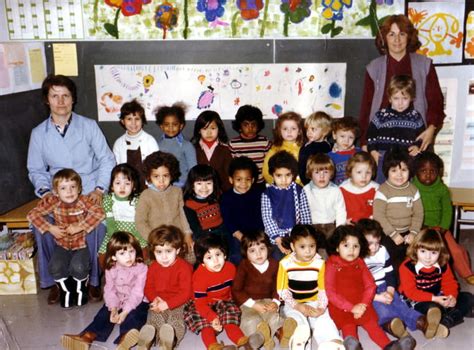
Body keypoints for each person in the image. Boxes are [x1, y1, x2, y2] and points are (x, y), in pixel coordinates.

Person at [27, 74, 115, 304]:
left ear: (73, 99)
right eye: (54, 96)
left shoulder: (88, 126)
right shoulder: (38, 133)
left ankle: (93, 281)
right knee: (42, 226)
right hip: (57, 192)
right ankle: (56, 281)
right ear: (47, 99)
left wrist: (98, 188)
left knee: (97, 226)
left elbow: (107, 159)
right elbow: (35, 169)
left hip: (88, 189)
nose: (61, 101)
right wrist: (46, 192)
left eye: (65, 95)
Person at [359, 14, 445, 152]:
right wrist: (365, 143)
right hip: (381, 142)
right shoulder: (373, 68)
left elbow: (436, 101)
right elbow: (366, 108)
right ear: (384, 38)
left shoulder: (424, 64)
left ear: (409, 37)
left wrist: (431, 129)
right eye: (391, 34)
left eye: (402, 34)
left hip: (417, 140)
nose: (397, 39)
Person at [325, 225, 415, 350]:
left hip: (361, 302)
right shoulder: (331, 264)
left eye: (355, 246)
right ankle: (353, 347)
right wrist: (351, 308)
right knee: (349, 327)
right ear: (337, 247)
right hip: (342, 307)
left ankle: (390, 346)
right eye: (346, 245)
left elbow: (370, 285)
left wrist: (363, 304)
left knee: (373, 325)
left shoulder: (359, 262)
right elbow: (331, 293)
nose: (351, 250)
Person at [27, 169, 106, 308]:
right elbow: (32, 214)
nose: (69, 192)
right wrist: (50, 228)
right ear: (56, 191)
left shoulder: (83, 201)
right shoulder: (54, 201)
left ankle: (80, 290)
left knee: (79, 266)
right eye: (63, 188)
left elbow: (99, 212)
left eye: (73, 187)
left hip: (81, 245)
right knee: (55, 266)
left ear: (79, 189)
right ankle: (66, 291)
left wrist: (80, 226)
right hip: (62, 245)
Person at [357, 219, 447, 340]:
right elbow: (356, 286)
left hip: (385, 285)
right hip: (368, 292)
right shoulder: (356, 258)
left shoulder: (382, 250)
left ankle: (423, 324)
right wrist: (377, 297)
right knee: (383, 312)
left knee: (402, 306)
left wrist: (390, 290)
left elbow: (390, 274)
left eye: (377, 243)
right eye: (369, 243)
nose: (374, 247)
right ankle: (397, 329)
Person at [60, 231, 150, 350]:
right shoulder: (110, 269)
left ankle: (124, 340)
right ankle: (87, 337)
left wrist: (124, 312)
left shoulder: (142, 268)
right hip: (118, 299)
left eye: (131, 251)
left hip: (138, 301)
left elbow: (137, 293)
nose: (129, 256)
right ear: (113, 256)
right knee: (103, 314)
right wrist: (113, 308)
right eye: (122, 253)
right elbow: (109, 290)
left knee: (134, 316)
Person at [183, 234, 263, 350]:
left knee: (230, 320)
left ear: (224, 254)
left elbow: (236, 288)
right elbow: (200, 303)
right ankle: (214, 347)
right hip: (203, 304)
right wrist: (212, 318)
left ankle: (244, 343)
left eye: (218, 254)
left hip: (224, 300)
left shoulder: (231, 268)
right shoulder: (199, 277)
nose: (215, 261)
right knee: (206, 326)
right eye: (209, 257)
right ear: (202, 261)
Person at [277, 225, 343, 349]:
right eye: (302, 247)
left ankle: (331, 343)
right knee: (299, 321)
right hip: (294, 303)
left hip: (314, 301)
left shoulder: (320, 263)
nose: (308, 251)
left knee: (324, 321)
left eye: (312, 246)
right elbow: (282, 291)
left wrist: (321, 308)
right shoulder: (285, 264)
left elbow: (323, 289)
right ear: (292, 246)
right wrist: (297, 306)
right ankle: (298, 342)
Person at [413, 151, 474, 284]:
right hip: (418, 227)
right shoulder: (412, 188)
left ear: (439, 172)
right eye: (423, 171)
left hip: (439, 227)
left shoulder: (442, 189)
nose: (428, 174)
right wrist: (417, 227)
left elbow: (447, 211)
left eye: (432, 171)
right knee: (415, 251)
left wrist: (443, 228)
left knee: (455, 250)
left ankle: (467, 273)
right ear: (416, 171)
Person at [399, 229, 474, 333]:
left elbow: (449, 283)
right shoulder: (407, 267)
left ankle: (445, 322)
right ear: (415, 249)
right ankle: (454, 315)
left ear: (440, 252)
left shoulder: (442, 263)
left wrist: (451, 297)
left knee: (468, 297)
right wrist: (435, 299)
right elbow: (411, 292)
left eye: (433, 253)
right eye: (423, 251)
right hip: (416, 298)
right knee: (433, 308)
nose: (428, 257)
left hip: (437, 294)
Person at [367, 75, 425, 183]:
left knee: (404, 187)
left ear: (411, 98)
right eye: (396, 98)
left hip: (405, 159)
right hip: (383, 157)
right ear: (390, 98)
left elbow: (422, 136)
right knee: (381, 186)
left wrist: (417, 146)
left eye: (405, 98)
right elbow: (371, 134)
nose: (400, 103)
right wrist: (373, 150)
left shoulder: (415, 116)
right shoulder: (381, 115)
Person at [373, 147, 423, 271]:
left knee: (415, 259)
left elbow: (418, 214)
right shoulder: (383, 191)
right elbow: (379, 216)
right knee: (389, 261)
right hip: (388, 233)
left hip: (409, 232)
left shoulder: (413, 190)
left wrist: (413, 233)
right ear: (386, 171)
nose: (399, 175)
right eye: (394, 170)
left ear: (409, 171)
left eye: (404, 170)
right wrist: (394, 235)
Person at [144, 225, 193, 350]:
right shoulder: (153, 267)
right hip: (159, 300)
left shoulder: (184, 267)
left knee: (175, 320)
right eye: (159, 252)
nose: (164, 257)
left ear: (177, 250)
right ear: (153, 252)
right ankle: (147, 340)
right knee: (155, 317)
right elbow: (148, 287)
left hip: (179, 302)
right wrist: (154, 299)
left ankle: (170, 342)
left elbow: (185, 293)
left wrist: (168, 304)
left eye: (168, 251)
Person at [232, 231, 283, 350]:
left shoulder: (275, 265)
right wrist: (253, 304)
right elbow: (236, 290)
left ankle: (282, 333)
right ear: (246, 253)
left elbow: (279, 286)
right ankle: (260, 337)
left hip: (267, 300)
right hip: (248, 303)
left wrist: (275, 302)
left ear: (268, 248)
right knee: (250, 320)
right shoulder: (243, 266)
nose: (258, 253)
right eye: (252, 251)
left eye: (262, 248)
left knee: (273, 317)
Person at [135, 151, 193, 254]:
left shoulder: (177, 191)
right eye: (156, 176)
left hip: (177, 240)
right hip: (157, 243)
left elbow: (183, 214)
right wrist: (153, 238)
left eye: (165, 176)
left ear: (171, 175)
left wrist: (187, 234)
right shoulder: (146, 195)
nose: (161, 181)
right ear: (149, 177)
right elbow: (140, 222)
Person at [261, 151, 312, 261]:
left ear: (293, 174)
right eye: (279, 176)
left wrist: (304, 235)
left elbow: (305, 215)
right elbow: (267, 219)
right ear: (272, 174)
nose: (284, 180)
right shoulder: (267, 194)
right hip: (276, 237)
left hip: (297, 236)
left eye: (288, 175)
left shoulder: (299, 190)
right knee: (278, 261)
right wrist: (278, 240)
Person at [98, 164, 147, 268]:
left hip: (135, 232)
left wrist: (135, 237)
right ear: (111, 186)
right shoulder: (108, 200)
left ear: (133, 186)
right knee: (103, 256)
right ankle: (114, 275)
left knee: (144, 254)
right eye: (118, 183)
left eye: (127, 183)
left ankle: (139, 276)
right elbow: (110, 224)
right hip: (115, 232)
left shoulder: (138, 200)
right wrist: (115, 238)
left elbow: (141, 221)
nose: (122, 187)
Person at [220, 157, 264, 265]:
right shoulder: (226, 197)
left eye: (247, 179)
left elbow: (262, 217)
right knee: (237, 257)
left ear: (253, 180)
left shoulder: (258, 194)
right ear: (231, 180)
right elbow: (228, 221)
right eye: (239, 179)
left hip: (257, 234)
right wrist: (242, 237)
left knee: (264, 253)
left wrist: (259, 237)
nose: (243, 183)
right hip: (238, 235)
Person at [183, 165, 230, 254]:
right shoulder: (189, 204)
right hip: (204, 235)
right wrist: (204, 240)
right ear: (192, 185)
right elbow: (195, 227)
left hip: (222, 231)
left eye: (208, 183)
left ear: (214, 184)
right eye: (199, 183)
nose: (204, 188)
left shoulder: (217, 196)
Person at [113, 99, 159, 187]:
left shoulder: (150, 141)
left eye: (137, 119)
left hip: (148, 186)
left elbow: (156, 167)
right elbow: (117, 169)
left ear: (142, 121)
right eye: (129, 119)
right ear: (123, 121)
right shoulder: (119, 143)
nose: (133, 123)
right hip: (125, 186)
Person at [303, 153, 346, 240]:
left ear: (331, 174)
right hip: (312, 227)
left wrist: (339, 230)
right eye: (317, 172)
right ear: (310, 174)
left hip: (331, 227)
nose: (322, 176)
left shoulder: (335, 190)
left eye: (326, 172)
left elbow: (340, 211)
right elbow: (302, 213)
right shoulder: (306, 190)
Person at [228, 104, 271, 187]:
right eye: (246, 125)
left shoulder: (264, 142)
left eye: (253, 124)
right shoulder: (233, 144)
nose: (250, 128)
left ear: (258, 126)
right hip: (242, 184)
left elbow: (268, 164)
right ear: (239, 126)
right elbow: (232, 166)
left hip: (259, 183)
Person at [155, 102, 197, 188]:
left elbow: (193, 169)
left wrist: (188, 186)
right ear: (161, 126)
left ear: (181, 126)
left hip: (182, 185)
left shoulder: (187, 145)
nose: (170, 128)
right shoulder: (156, 145)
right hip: (161, 186)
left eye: (174, 124)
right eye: (166, 125)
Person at [192, 110, 233, 192]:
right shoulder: (193, 149)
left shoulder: (225, 149)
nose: (209, 132)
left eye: (213, 128)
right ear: (199, 130)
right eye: (205, 128)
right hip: (200, 192)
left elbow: (229, 174)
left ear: (219, 129)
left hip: (221, 191)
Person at [262, 112, 304, 185]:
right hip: (280, 187)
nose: (289, 131)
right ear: (279, 131)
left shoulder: (305, 148)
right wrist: (276, 184)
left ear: (299, 131)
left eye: (293, 128)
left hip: (301, 188)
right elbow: (266, 171)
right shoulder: (275, 149)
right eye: (285, 129)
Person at [339, 152, 379, 224]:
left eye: (368, 172)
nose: (364, 176)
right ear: (350, 172)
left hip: (369, 227)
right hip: (350, 227)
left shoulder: (376, 189)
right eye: (359, 172)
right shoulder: (342, 189)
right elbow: (339, 211)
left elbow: (380, 211)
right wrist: (343, 222)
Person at [298, 111, 332, 185]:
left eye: (313, 129)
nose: (309, 132)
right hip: (310, 183)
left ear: (325, 131)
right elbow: (302, 168)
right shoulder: (307, 147)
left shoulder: (328, 146)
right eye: (307, 129)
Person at [328, 116, 361, 185]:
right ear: (334, 135)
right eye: (342, 136)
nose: (346, 140)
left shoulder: (359, 154)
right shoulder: (328, 157)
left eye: (351, 137)